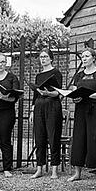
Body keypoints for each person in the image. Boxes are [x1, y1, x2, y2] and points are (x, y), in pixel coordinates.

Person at [68, 48, 96, 182]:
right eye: (82, 57)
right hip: (81, 109)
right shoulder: (79, 75)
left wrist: (89, 95)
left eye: (87, 56)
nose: (84, 59)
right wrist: (75, 98)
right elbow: (74, 92)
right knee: (79, 138)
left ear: (93, 58)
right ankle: (77, 172)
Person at [29, 48, 63, 180]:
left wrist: (48, 93)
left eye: (45, 57)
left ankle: (54, 169)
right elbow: (35, 95)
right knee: (39, 137)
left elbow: (58, 92)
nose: (42, 59)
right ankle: (39, 168)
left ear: (51, 58)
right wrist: (32, 111)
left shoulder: (56, 73)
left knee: (53, 137)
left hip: (52, 106)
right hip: (39, 106)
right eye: (41, 57)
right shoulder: (38, 75)